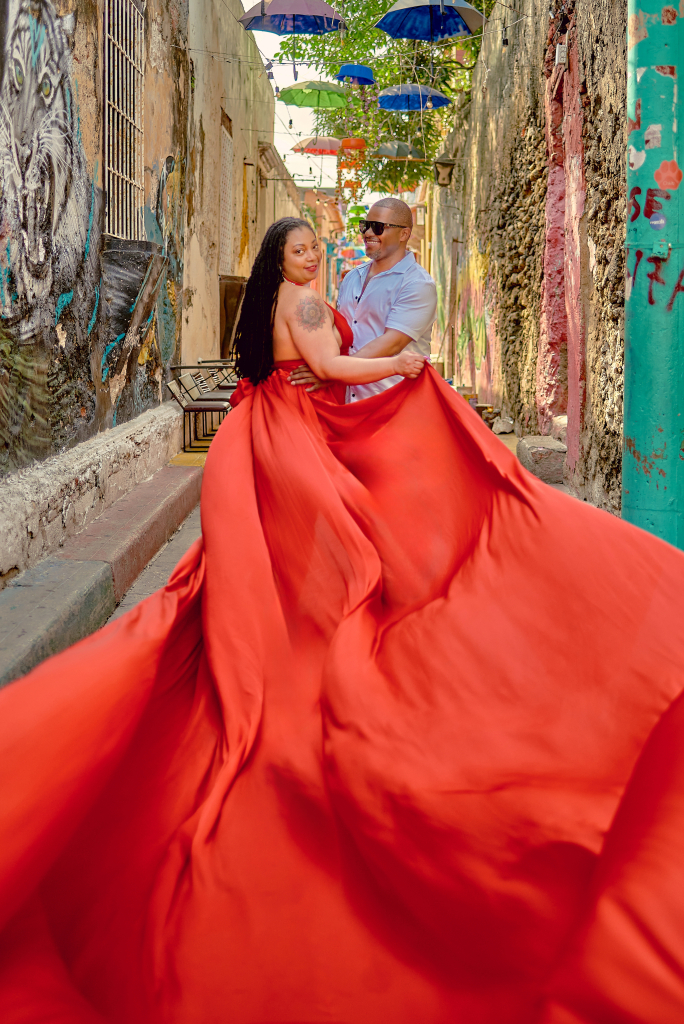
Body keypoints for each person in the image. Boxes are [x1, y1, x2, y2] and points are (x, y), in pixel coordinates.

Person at [0, 217, 684, 1024]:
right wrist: (397, 363)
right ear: (278, 260)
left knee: (252, 576)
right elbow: (327, 368)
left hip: (260, 433)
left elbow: (302, 365)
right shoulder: (311, 304)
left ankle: (278, 646)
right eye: (301, 248)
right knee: (333, 566)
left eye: (315, 247)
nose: (316, 252)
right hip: (293, 435)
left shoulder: (283, 299)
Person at [289, 197, 437, 401]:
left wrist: (333, 372)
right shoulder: (352, 277)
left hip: (393, 401)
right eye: (365, 226)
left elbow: (391, 344)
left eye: (377, 227)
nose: (367, 233)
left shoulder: (417, 284)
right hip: (347, 402)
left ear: (404, 234)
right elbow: (340, 332)